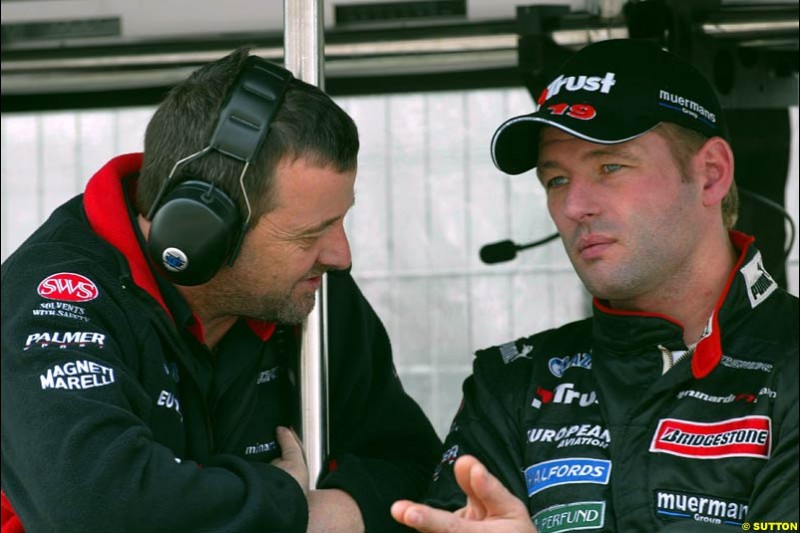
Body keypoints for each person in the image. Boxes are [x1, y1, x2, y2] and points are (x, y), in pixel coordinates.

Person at [0, 48, 441, 533]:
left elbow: (418, 469)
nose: (340, 255)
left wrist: (333, 514)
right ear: (198, 233)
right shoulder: (54, 299)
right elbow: (97, 509)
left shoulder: (309, 290)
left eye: (340, 220)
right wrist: (286, 505)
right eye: (308, 234)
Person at [392, 39, 799, 532]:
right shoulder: (512, 383)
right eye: (556, 180)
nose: (573, 207)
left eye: (610, 167)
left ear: (710, 175)